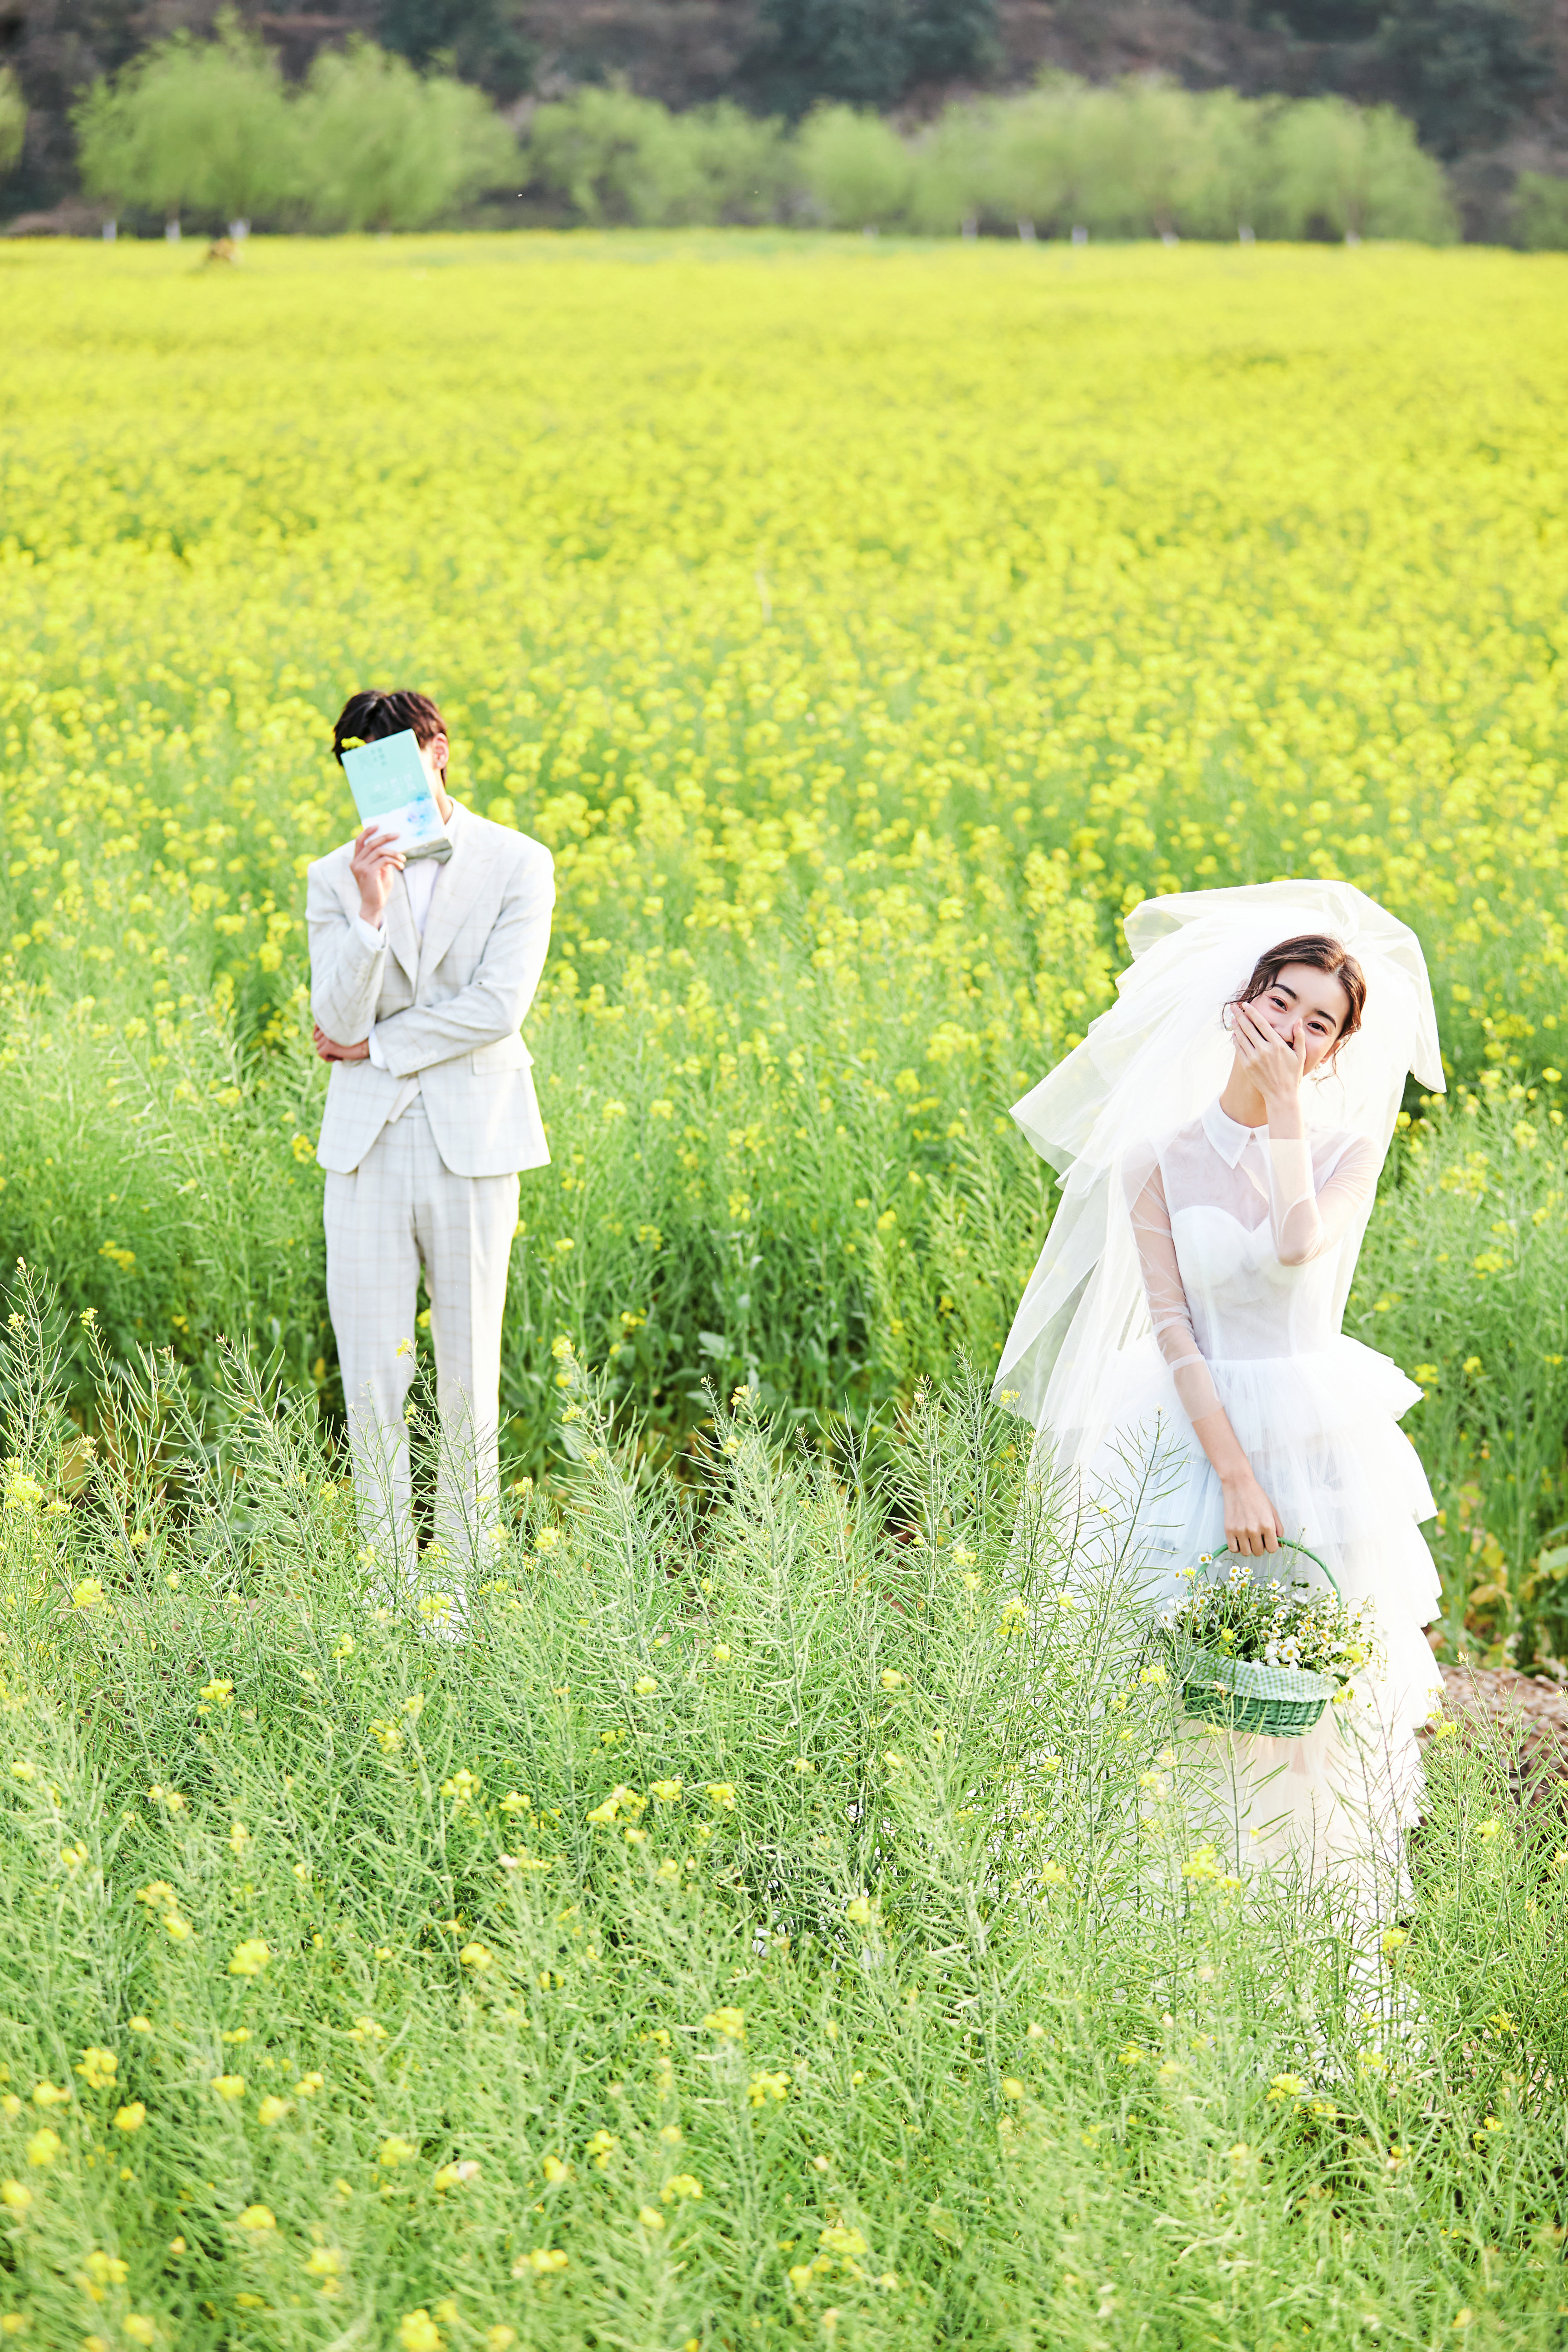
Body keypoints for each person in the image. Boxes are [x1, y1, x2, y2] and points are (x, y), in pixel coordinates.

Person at [994, 880, 1446, 1909]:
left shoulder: (1346, 1151)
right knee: (1164, 1689)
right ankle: (1161, 1918)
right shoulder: (1155, 1160)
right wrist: (1233, 1476)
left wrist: (1284, 1112)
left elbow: (1295, 1244)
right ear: (1242, 1004)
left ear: (1334, 1053)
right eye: (1281, 1002)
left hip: (1315, 1442)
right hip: (1189, 1432)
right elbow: (1173, 1329)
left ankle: (1307, 1922)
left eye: (1320, 1023)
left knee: (1312, 1699)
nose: (1292, 1030)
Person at [307, 688, 554, 1608]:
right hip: (365, 1150)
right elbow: (334, 1020)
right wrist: (370, 912)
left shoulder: (519, 860)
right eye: (359, 772)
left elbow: (499, 1007)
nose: (379, 789)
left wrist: (379, 1046)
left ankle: (463, 1590)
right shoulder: (333, 876)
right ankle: (387, 1593)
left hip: (474, 1141)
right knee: (372, 1376)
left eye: (395, 764)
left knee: (468, 1371)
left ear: (437, 750)